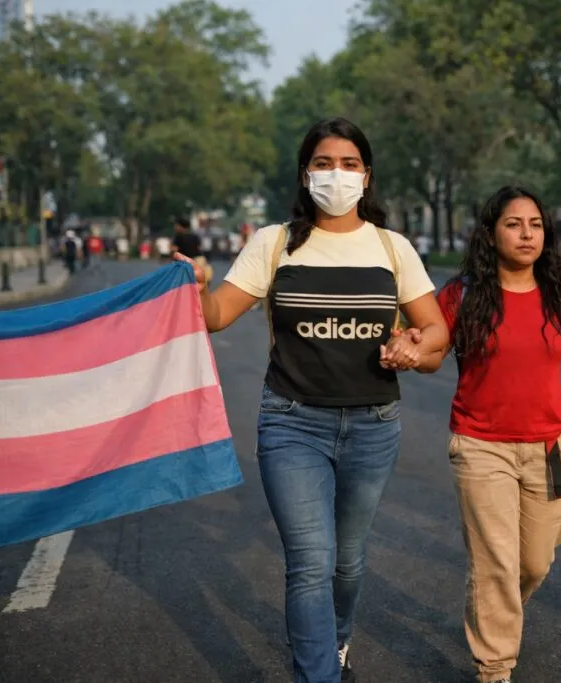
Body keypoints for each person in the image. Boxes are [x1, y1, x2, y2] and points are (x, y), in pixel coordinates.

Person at [175, 117, 449, 683]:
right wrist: (196, 285)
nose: (336, 175)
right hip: (291, 423)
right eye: (324, 163)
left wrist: (411, 346)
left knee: (346, 563)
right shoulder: (274, 243)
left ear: (367, 177)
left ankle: (338, 641)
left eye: (349, 164)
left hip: (374, 426)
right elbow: (219, 316)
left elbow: (436, 334)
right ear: (305, 175)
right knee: (310, 564)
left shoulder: (392, 248)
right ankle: (317, 674)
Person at [421, 186, 561, 683]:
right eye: (513, 224)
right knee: (497, 564)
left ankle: (493, 609)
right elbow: (432, 353)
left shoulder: (558, 294)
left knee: (534, 561)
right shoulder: (462, 295)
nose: (527, 234)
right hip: (481, 446)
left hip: (548, 446)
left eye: (535, 225)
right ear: (490, 233)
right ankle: (495, 666)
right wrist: (406, 349)